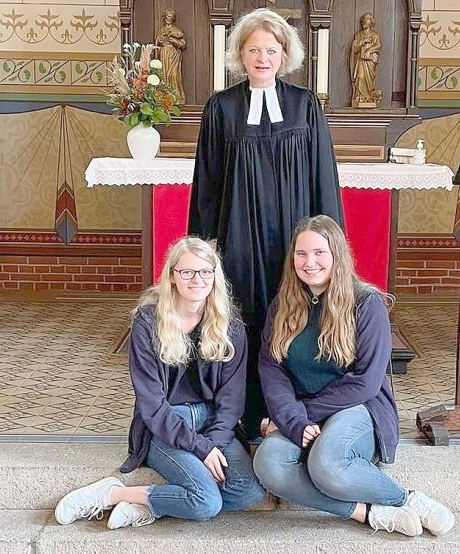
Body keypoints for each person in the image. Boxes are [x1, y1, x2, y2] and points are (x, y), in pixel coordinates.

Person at [189, 8, 344, 438]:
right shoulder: (220, 108)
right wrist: (203, 250)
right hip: (239, 234)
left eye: (271, 50)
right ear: (240, 54)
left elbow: (323, 177)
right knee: (243, 318)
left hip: (296, 240)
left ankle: (295, 413)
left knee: (293, 318)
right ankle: (241, 416)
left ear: (285, 54)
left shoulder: (304, 105)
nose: (262, 58)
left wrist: (328, 243)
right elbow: (207, 182)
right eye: (254, 49)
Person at [252, 215, 454, 537]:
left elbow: (366, 381)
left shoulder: (366, 302)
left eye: (319, 252)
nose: (309, 262)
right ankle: (370, 513)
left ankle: (407, 499)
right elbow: (271, 367)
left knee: (327, 465)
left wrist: (302, 415)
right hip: (300, 413)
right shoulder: (284, 305)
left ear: (337, 255)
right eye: (301, 254)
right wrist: (292, 418)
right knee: (269, 466)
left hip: (358, 407)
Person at [54, 237, 265, 529]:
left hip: (212, 423)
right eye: (187, 272)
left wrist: (212, 442)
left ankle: (150, 503)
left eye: (206, 272)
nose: (197, 279)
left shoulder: (229, 324)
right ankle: (112, 493)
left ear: (215, 277)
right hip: (163, 424)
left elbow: (232, 400)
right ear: (172, 276)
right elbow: (151, 405)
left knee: (248, 491)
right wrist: (200, 448)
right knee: (206, 501)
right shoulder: (147, 321)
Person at [155, 8, 186, 101]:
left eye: (170, 18)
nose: (168, 19)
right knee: (164, 74)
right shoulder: (162, 30)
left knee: (173, 74)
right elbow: (157, 42)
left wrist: (175, 41)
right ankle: (164, 96)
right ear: (164, 18)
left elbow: (183, 44)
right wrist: (159, 41)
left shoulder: (176, 30)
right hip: (164, 53)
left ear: (173, 19)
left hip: (173, 54)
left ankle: (176, 96)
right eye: (167, 17)